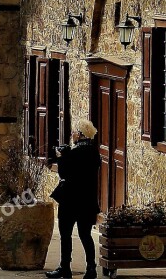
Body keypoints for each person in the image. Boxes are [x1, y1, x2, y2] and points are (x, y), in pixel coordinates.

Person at [46, 119, 101, 279]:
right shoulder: (94, 153)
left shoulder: (73, 153)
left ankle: (65, 267)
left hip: (70, 201)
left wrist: (61, 156)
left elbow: (64, 173)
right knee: (85, 235)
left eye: (75, 131)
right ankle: (91, 268)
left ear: (81, 134)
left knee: (65, 235)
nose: (72, 134)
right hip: (87, 201)